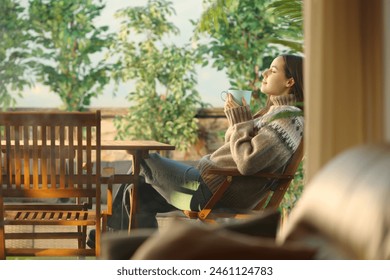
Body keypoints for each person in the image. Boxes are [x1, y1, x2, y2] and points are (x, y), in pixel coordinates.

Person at [87, 54, 304, 247]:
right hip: (210, 184)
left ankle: (108, 237)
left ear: (290, 81)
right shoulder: (273, 113)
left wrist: (240, 122)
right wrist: (236, 121)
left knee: (144, 160)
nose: (265, 73)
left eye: (273, 70)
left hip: (211, 191)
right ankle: (138, 251)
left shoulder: (287, 120)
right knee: (137, 190)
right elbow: (236, 146)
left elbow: (247, 162)